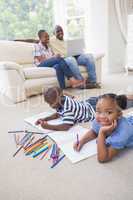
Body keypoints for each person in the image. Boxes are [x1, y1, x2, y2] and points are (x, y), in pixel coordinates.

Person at [35, 86, 133, 131]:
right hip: (88, 102)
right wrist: (45, 119)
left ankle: (128, 98)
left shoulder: (68, 109)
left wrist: (49, 126)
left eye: (52, 103)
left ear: (60, 99)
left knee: (115, 103)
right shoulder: (62, 100)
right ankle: (125, 96)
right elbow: (58, 114)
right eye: (49, 104)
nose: (51, 106)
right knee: (109, 98)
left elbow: (66, 126)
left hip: (93, 109)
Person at [73, 93, 133, 163]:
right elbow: (94, 132)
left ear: (119, 115)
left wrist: (102, 132)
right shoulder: (100, 120)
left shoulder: (123, 132)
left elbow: (103, 158)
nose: (102, 116)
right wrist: (82, 141)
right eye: (98, 111)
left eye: (109, 112)